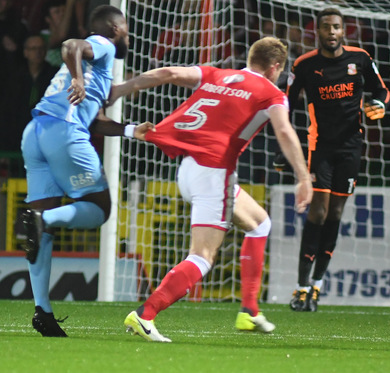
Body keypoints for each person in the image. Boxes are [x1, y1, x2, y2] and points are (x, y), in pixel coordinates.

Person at [109, 36, 313, 342]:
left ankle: (249, 311)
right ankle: (145, 314)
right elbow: (284, 130)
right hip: (214, 172)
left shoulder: (217, 74)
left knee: (259, 223)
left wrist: (121, 90)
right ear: (275, 68)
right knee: (202, 257)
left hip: (188, 167)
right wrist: (303, 176)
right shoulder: (271, 93)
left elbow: (168, 74)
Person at [19, 5, 135, 337]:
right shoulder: (103, 44)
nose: (127, 36)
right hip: (63, 133)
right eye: (125, 29)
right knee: (100, 209)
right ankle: (42, 219)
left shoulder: (100, 68)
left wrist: (129, 130)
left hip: (36, 133)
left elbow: (94, 120)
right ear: (115, 28)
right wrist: (80, 78)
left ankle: (43, 311)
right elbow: (70, 45)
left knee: (41, 230)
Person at [275, 7, 390, 312]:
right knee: (318, 212)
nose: (331, 32)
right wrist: (282, 148)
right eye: (326, 27)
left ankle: (317, 284)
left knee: (336, 214)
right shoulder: (304, 65)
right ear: (318, 32)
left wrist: (378, 104)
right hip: (319, 147)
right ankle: (300, 287)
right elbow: (284, 106)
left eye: (336, 27)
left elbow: (381, 91)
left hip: (351, 147)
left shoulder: (360, 58)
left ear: (343, 31)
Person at [0, 34, 57, 151]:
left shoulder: (55, 76)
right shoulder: (16, 78)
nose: (38, 52)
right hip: (19, 138)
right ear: (25, 52)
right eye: (33, 49)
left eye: (41, 48)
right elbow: (7, 113)